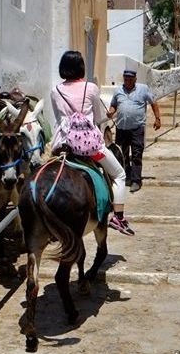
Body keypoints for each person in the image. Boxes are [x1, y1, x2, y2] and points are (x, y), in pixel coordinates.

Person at [50, 50, 134, 236]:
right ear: (81, 67)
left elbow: (58, 118)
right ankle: (118, 218)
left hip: (62, 144)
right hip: (90, 148)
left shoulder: (55, 91)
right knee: (119, 174)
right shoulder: (91, 88)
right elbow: (97, 116)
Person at [106, 69, 161, 193]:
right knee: (122, 154)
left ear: (135, 79)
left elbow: (153, 103)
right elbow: (114, 105)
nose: (128, 81)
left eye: (130, 79)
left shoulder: (143, 89)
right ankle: (127, 175)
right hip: (121, 128)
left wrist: (157, 119)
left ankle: (136, 180)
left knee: (137, 154)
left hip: (137, 128)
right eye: (126, 79)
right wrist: (111, 112)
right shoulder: (118, 90)